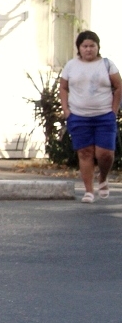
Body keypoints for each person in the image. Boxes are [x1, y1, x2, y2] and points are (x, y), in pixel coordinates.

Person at [58, 30, 121, 203]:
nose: (88, 49)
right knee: (85, 152)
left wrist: (113, 110)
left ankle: (103, 178)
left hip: (104, 116)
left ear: (98, 47)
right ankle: (89, 191)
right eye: (84, 46)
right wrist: (66, 110)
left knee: (105, 154)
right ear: (79, 48)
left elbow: (118, 87)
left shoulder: (107, 65)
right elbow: (63, 87)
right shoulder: (71, 65)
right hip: (79, 116)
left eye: (92, 46)